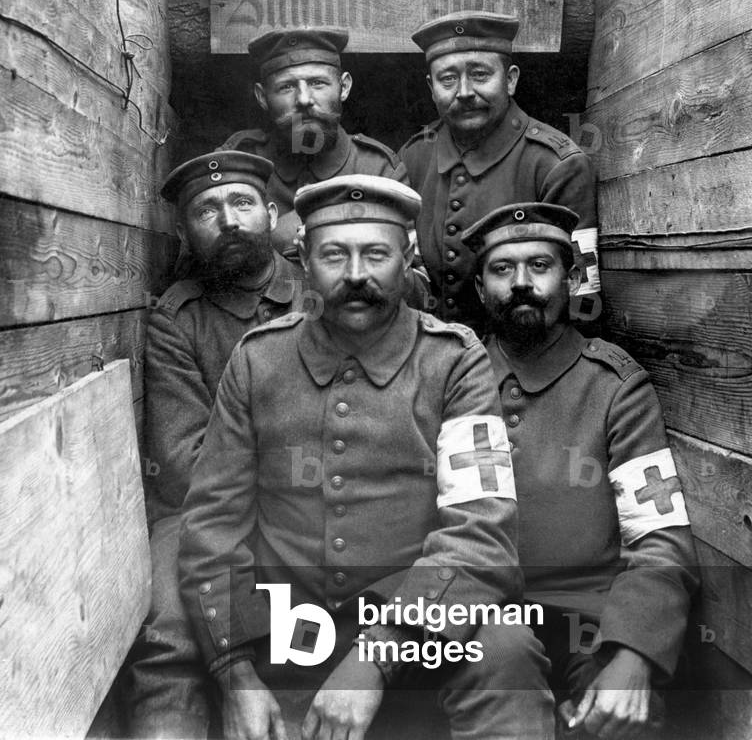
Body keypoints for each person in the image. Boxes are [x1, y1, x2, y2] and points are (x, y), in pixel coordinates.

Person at [178, 176, 556, 740]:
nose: (356, 274)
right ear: (304, 260)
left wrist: (376, 656)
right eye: (334, 254)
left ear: (406, 259)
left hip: (424, 630)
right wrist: (234, 673)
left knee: (507, 648)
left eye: (376, 253)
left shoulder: (455, 362)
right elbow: (213, 523)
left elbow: (482, 530)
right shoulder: (257, 361)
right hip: (290, 629)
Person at [462, 202, 699, 738]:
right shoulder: (453, 378)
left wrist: (634, 656)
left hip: (586, 622)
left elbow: (659, 538)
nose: (521, 283)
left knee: (624, 722)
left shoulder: (615, 387)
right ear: (480, 290)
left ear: (570, 280)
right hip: (477, 617)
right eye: (502, 269)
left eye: (540, 266)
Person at [127, 150, 304, 739]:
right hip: (201, 512)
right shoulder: (176, 320)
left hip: (323, 498)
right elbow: (182, 464)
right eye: (207, 209)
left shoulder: (322, 290)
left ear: (272, 212)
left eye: (242, 203)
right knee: (173, 633)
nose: (227, 219)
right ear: (183, 231)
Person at [400, 11, 599, 332]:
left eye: (480, 74)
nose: (463, 91)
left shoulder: (558, 164)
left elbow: (583, 301)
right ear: (431, 87)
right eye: (447, 79)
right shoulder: (414, 156)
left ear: (510, 79)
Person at [221, 26, 409, 257]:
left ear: (344, 87)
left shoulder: (379, 169)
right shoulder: (239, 162)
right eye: (286, 87)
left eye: (318, 83)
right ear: (262, 97)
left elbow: (406, 270)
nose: (303, 100)